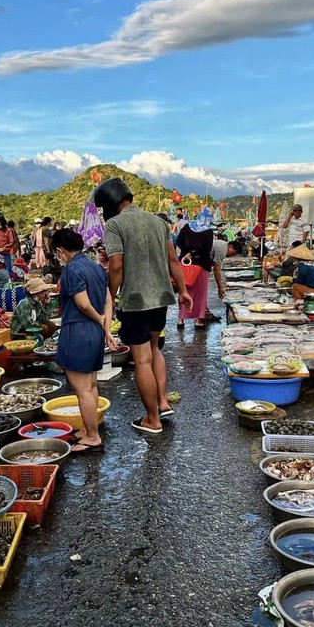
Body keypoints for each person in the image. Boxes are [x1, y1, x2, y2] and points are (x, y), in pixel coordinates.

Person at [94, 177, 192, 435]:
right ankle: (162, 402)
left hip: (136, 300)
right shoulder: (159, 222)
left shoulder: (115, 224)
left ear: (109, 204)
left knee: (141, 361)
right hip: (161, 297)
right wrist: (183, 291)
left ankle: (152, 419)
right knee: (154, 349)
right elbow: (174, 261)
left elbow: (115, 265)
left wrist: (110, 297)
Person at [51, 228, 116, 454]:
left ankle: (92, 436)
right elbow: (108, 299)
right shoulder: (97, 267)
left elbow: (82, 303)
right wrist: (106, 329)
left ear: (60, 250)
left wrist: (98, 319)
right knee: (91, 385)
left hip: (78, 330)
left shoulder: (71, 270)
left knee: (82, 389)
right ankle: (90, 429)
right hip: (94, 332)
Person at [176, 209, 215, 329]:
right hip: (201, 265)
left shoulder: (187, 227)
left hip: (186, 264)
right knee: (200, 293)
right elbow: (207, 249)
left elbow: (178, 241)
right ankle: (198, 320)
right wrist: (194, 253)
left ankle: (181, 319)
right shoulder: (208, 231)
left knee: (184, 290)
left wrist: (187, 253)